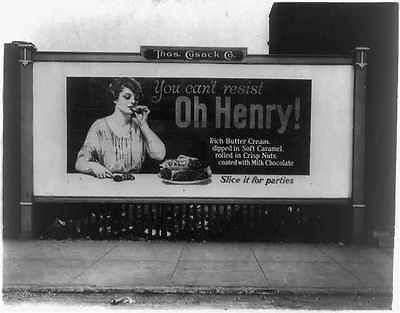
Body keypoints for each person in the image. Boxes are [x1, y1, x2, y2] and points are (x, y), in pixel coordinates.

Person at [75, 77, 166, 178]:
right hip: (107, 184)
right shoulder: (99, 126)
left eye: (135, 98)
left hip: (134, 184)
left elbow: (160, 155)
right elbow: (80, 162)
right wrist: (93, 166)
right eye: (127, 97)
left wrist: (144, 125)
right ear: (115, 99)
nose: (133, 101)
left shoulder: (139, 126)